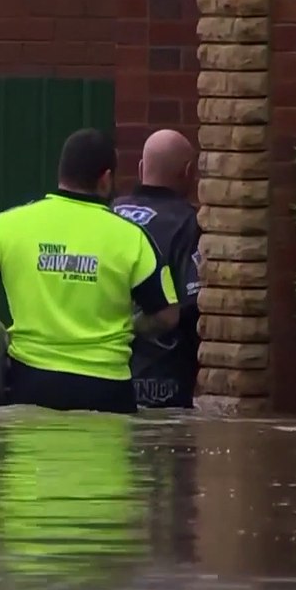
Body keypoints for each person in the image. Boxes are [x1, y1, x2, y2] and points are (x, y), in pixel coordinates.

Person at [0, 128, 181, 414]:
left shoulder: (11, 224)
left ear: (62, 173)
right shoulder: (133, 237)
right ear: (106, 179)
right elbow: (168, 315)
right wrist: (130, 327)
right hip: (106, 389)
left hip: (29, 382)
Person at [112, 129, 202, 409]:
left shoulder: (108, 214)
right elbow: (192, 305)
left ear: (141, 169)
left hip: (105, 379)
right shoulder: (189, 225)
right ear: (188, 172)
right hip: (163, 386)